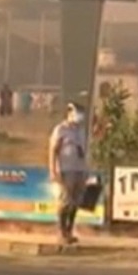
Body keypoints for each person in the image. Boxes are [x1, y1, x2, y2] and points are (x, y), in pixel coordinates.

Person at [48, 101, 89, 245]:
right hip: (66, 170)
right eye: (78, 113)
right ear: (70, 113)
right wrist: (53, 170)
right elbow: (53, 150)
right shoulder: (61, 130)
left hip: (79, 169)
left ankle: (69, 231)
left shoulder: (81, 131)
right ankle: (61, 231)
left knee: (76, 203)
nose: (80, 117)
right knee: (66, 201)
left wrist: (85, 170)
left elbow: (83, 152)